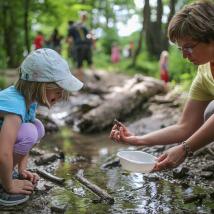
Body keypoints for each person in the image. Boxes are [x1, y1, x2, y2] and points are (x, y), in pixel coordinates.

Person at [110, 0, 214, 172]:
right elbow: (185, 127)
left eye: (189, 48)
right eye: (181, 49)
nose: (184, 56)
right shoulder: (204, 73)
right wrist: (138, 139)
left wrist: (185, 149)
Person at [0, 48, 83, 206]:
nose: (60, 97)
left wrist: (23, 169)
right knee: (29, 131)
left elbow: (24, 141)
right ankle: (3, 181)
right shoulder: (15, 106)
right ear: (39, 86)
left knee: (37, 126)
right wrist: (9, 185)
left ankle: (11, 172)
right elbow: (3, 153)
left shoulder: (28, 101)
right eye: (58, 92)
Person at [67, 11, 97, 81]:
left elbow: (70, 40)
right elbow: (91, 36)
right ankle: (94, 73)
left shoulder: (72, 27)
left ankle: (80, 81)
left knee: (79, 64)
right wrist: (94, 45)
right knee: (90, 62)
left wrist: (70, 46)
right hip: (87, 45)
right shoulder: (84, 26)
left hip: (78, 46)